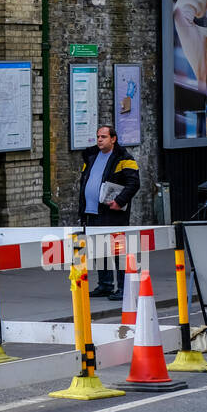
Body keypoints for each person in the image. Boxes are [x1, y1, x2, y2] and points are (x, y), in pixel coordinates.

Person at [77, 125, 140, 300]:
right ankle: (105, 285)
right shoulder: (90, 156)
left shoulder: (124, 158)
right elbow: (86, 181)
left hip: (112, 214)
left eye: (103, 137)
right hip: (92, 212)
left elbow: (134, 183)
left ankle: (122, 288)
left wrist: (120, 201)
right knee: (99, 251)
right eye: (98, 136)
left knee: (117, 251)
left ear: (113, 139)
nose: (99, 140)